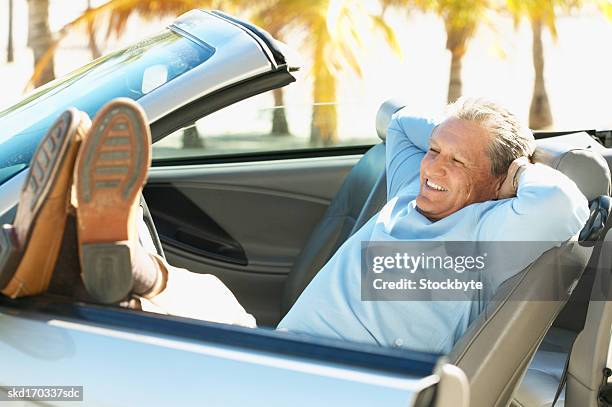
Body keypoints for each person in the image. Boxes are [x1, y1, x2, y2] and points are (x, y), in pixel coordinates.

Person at [277, 97, 590, 354]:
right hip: (282, 355)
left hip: (346, 383)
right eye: (434, 149)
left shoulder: (490, 232)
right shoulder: (412, 185)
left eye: (458, 162)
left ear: (497, 182)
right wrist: (458, 128)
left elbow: (562, 204)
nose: (433, 169)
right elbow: (399, 122)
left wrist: (520, 169)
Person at [0, 98, 256, 328]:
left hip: (271, 367)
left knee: (231, 318)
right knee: (224, 311)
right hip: (268, 358)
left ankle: (70, 260)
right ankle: (125, 265)